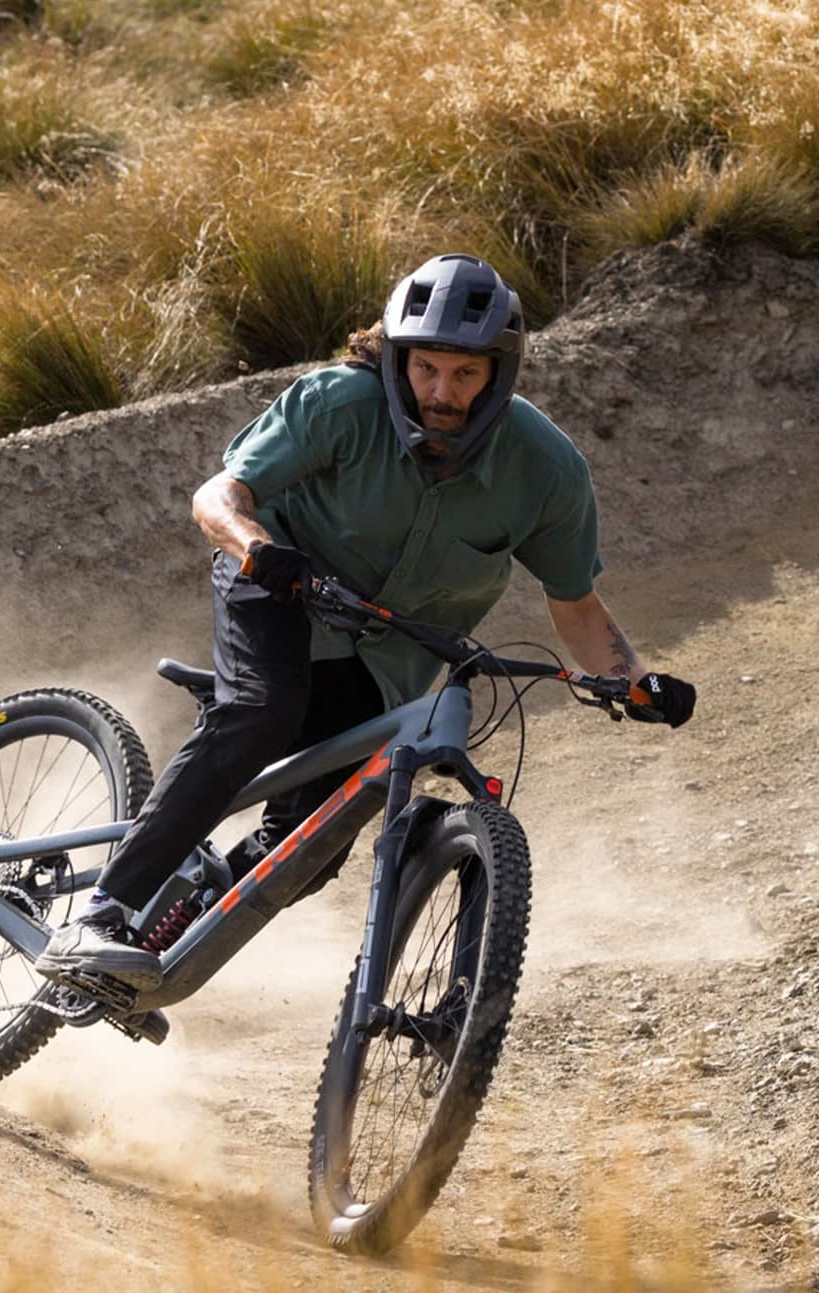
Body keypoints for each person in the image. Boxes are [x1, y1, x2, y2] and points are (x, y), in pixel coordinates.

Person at [36, 252, 696, 991]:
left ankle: (164, 936)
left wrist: (639, 685)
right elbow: (218, 497)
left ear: (500, 374)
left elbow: (575, 605)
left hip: (384, 658)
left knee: (310, 852)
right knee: (261, 709)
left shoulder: (545, 471)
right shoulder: (340, 404)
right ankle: (98, 915)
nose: (441, 392)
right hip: (278, 587)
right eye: (426, 369)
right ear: (399, 358)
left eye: (465, 374)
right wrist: (258, 550)